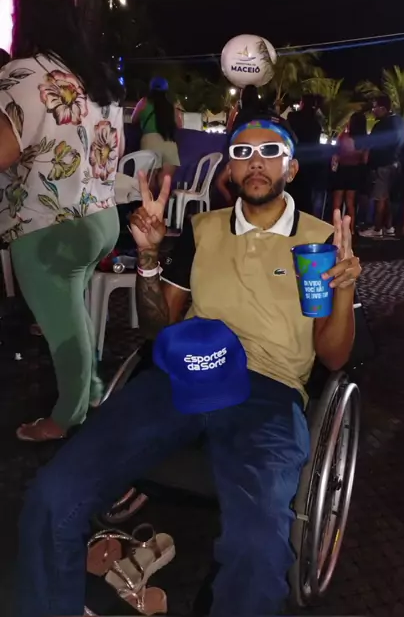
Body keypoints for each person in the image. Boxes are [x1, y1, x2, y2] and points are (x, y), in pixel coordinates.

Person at [16, 112, 362, 617]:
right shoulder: (203, 230)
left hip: (268, 392)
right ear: (230, 170)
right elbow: (160, 329)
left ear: (291, 167)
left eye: (271, 152)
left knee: (259, 548)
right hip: (184, 376)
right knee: (53, 494)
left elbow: (333, 356)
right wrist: (149, 258)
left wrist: (345, 289)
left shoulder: (321, 241)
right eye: (242, 153)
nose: (256, 162)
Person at [0, 0, 124, 441]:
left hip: (50, 225)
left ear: (23, 18)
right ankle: (90, 390)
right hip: (100, 216)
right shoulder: (94, 76)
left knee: (63, 327)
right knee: (73, 312)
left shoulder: (23, 75)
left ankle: (66, 418)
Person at [359, 95, 404, 238]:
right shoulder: (400, 121)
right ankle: (389, 227)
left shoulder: (381, 125)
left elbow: (370, 145)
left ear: (383, 108)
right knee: (386, 197)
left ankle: (377, 229)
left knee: (379, 198)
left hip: (382, 164)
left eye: (375, 107)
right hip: (395, 163)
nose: (373, 110)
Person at [132, 76, 180, 189]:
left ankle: (149, 201)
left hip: (150, 142)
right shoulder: (171, 105)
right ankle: (163, 201)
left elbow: (133, 119)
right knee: (164, 181)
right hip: (168, 141)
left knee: (149, 182)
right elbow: (179, 124)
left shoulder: (143, 102)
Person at [331, 111, 368, 233]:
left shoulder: (344, 137)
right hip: (355, 171)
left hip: (342, 170)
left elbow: (336, 154)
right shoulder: (364, 141)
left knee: (337, 203)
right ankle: (350, 230)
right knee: (350, 203)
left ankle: (335, 229)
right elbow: (365, 159)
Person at [287, 94, 324, 214]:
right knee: (306, 193)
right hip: (309, 161)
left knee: (291, 188)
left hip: (294, 155)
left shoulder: (293, 117)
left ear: (302, 103)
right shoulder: (316, 123)